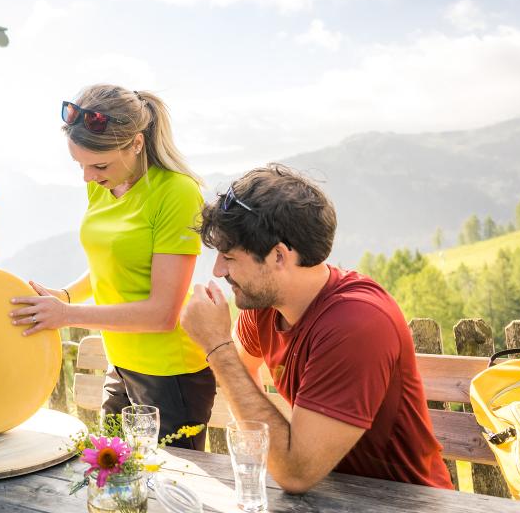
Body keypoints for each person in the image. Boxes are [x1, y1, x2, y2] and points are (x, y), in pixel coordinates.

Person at [180, 164, 454, 492]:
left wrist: (216, 347)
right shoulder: (264, 306)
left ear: (279, 256)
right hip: (329, 493)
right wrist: (271, 450)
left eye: (229, 257)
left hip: (404, 499)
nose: (218, 269)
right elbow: (244, 372)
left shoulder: (357, 324)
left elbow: (296, 474)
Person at [10, 84, 214, 450]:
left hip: (169, 375)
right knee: (117, 484)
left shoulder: (178, 193)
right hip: (118, 363)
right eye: (81, 165)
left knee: (165, 494)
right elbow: (112, 265)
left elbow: (162, 314)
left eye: (98, 165)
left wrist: (66, 314)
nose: (88, 177)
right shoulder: (103, 184)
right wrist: (66, 295)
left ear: (136, 143)